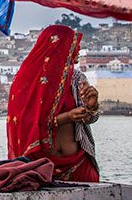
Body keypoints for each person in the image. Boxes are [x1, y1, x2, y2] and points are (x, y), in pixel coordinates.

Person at [6, 24, 101, 182]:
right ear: (57, 46)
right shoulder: (28, 80)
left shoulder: (77, 79)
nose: (77, 50)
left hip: (78, 164)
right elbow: (25, 123)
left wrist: (92, 107)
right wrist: (68, 117)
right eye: (72, 45)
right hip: (38, 167)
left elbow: (88, 120)